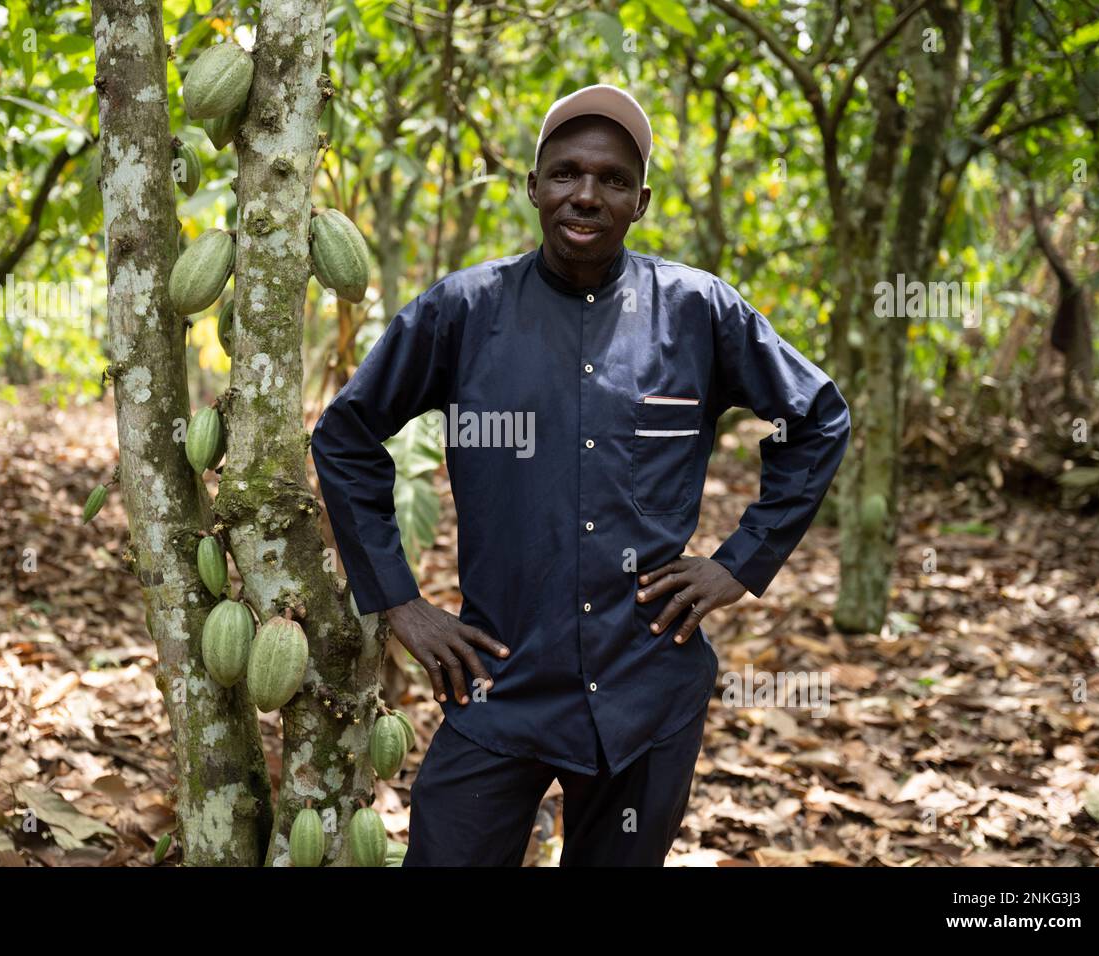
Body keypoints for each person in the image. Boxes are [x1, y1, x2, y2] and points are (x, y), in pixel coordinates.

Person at [310, 84, 851, 866]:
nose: (586, 194)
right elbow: (346, 433)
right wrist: (396, 600)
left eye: (612, 180)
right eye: (565, 173)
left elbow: (818, 416)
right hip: (501, 682)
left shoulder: (698, 310)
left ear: (641, 201)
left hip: (648, 685)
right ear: (533, 187)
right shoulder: (464, 311)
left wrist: (743, 563)